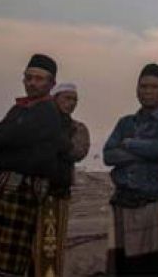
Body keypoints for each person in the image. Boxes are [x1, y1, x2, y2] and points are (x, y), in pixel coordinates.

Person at [0, 53, 74, 277]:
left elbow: (8, 143)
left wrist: (5, 148)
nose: (32, 83)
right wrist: (7, 143)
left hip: (23, 193)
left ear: (51, 84)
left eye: (39, 79)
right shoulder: (19, 109)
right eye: (28, 78)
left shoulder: (48, 112)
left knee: (11, 261)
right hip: (8, 190)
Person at [103, 63, 158, 276]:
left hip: (153, 206)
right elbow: (108, 155)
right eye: (143, 86)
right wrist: (148, 151)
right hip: (121, 203)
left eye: (154, 87)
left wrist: (128, 144)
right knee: (122, 270)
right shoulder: (124, 123)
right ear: (137, 90)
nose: (148, 91)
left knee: (152, 270)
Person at [30, 82, 92, 276]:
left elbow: (78, 152)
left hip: (57, 192)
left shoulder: (78, 128)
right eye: (67, 98)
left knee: (51, 247)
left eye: (75, 100)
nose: (72, 103)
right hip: (30, 192)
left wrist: (53, 141)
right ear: (54, 99)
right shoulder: (37, 121)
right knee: (27, 247)